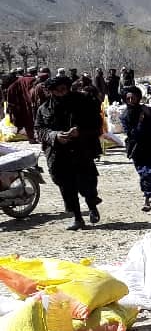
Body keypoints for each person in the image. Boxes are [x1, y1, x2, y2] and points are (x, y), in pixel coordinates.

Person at [34, 73, 103, 230]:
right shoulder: (44, 109)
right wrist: (54, 136)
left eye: (64, 89)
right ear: (51, 91)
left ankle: (92, 204)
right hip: (57, 154)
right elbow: (39, 129)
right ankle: (77, 217)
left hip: (81, 151)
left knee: (87, 183)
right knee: (66, 186)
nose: (61, 93)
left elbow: (97, 123)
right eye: (57, 90)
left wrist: (80, 131)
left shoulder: (83, 102)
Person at [120, 86, 151, 211]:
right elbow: (132, 134)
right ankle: (146, 198)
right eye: (128, 98)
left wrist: (147, 117)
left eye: (133, 98)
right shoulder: (124, 116)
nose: (130, 100)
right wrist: (140, 122)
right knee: (145, 173)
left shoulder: (148, 110)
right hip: (138, 148)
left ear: (138, 97)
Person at [4, 71, 37, 142]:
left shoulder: (12, 86)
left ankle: (31, 138)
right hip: (27, 105)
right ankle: (32, 138)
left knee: (28, 121)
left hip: (26, 106)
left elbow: (10, 103)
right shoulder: (18, 83)